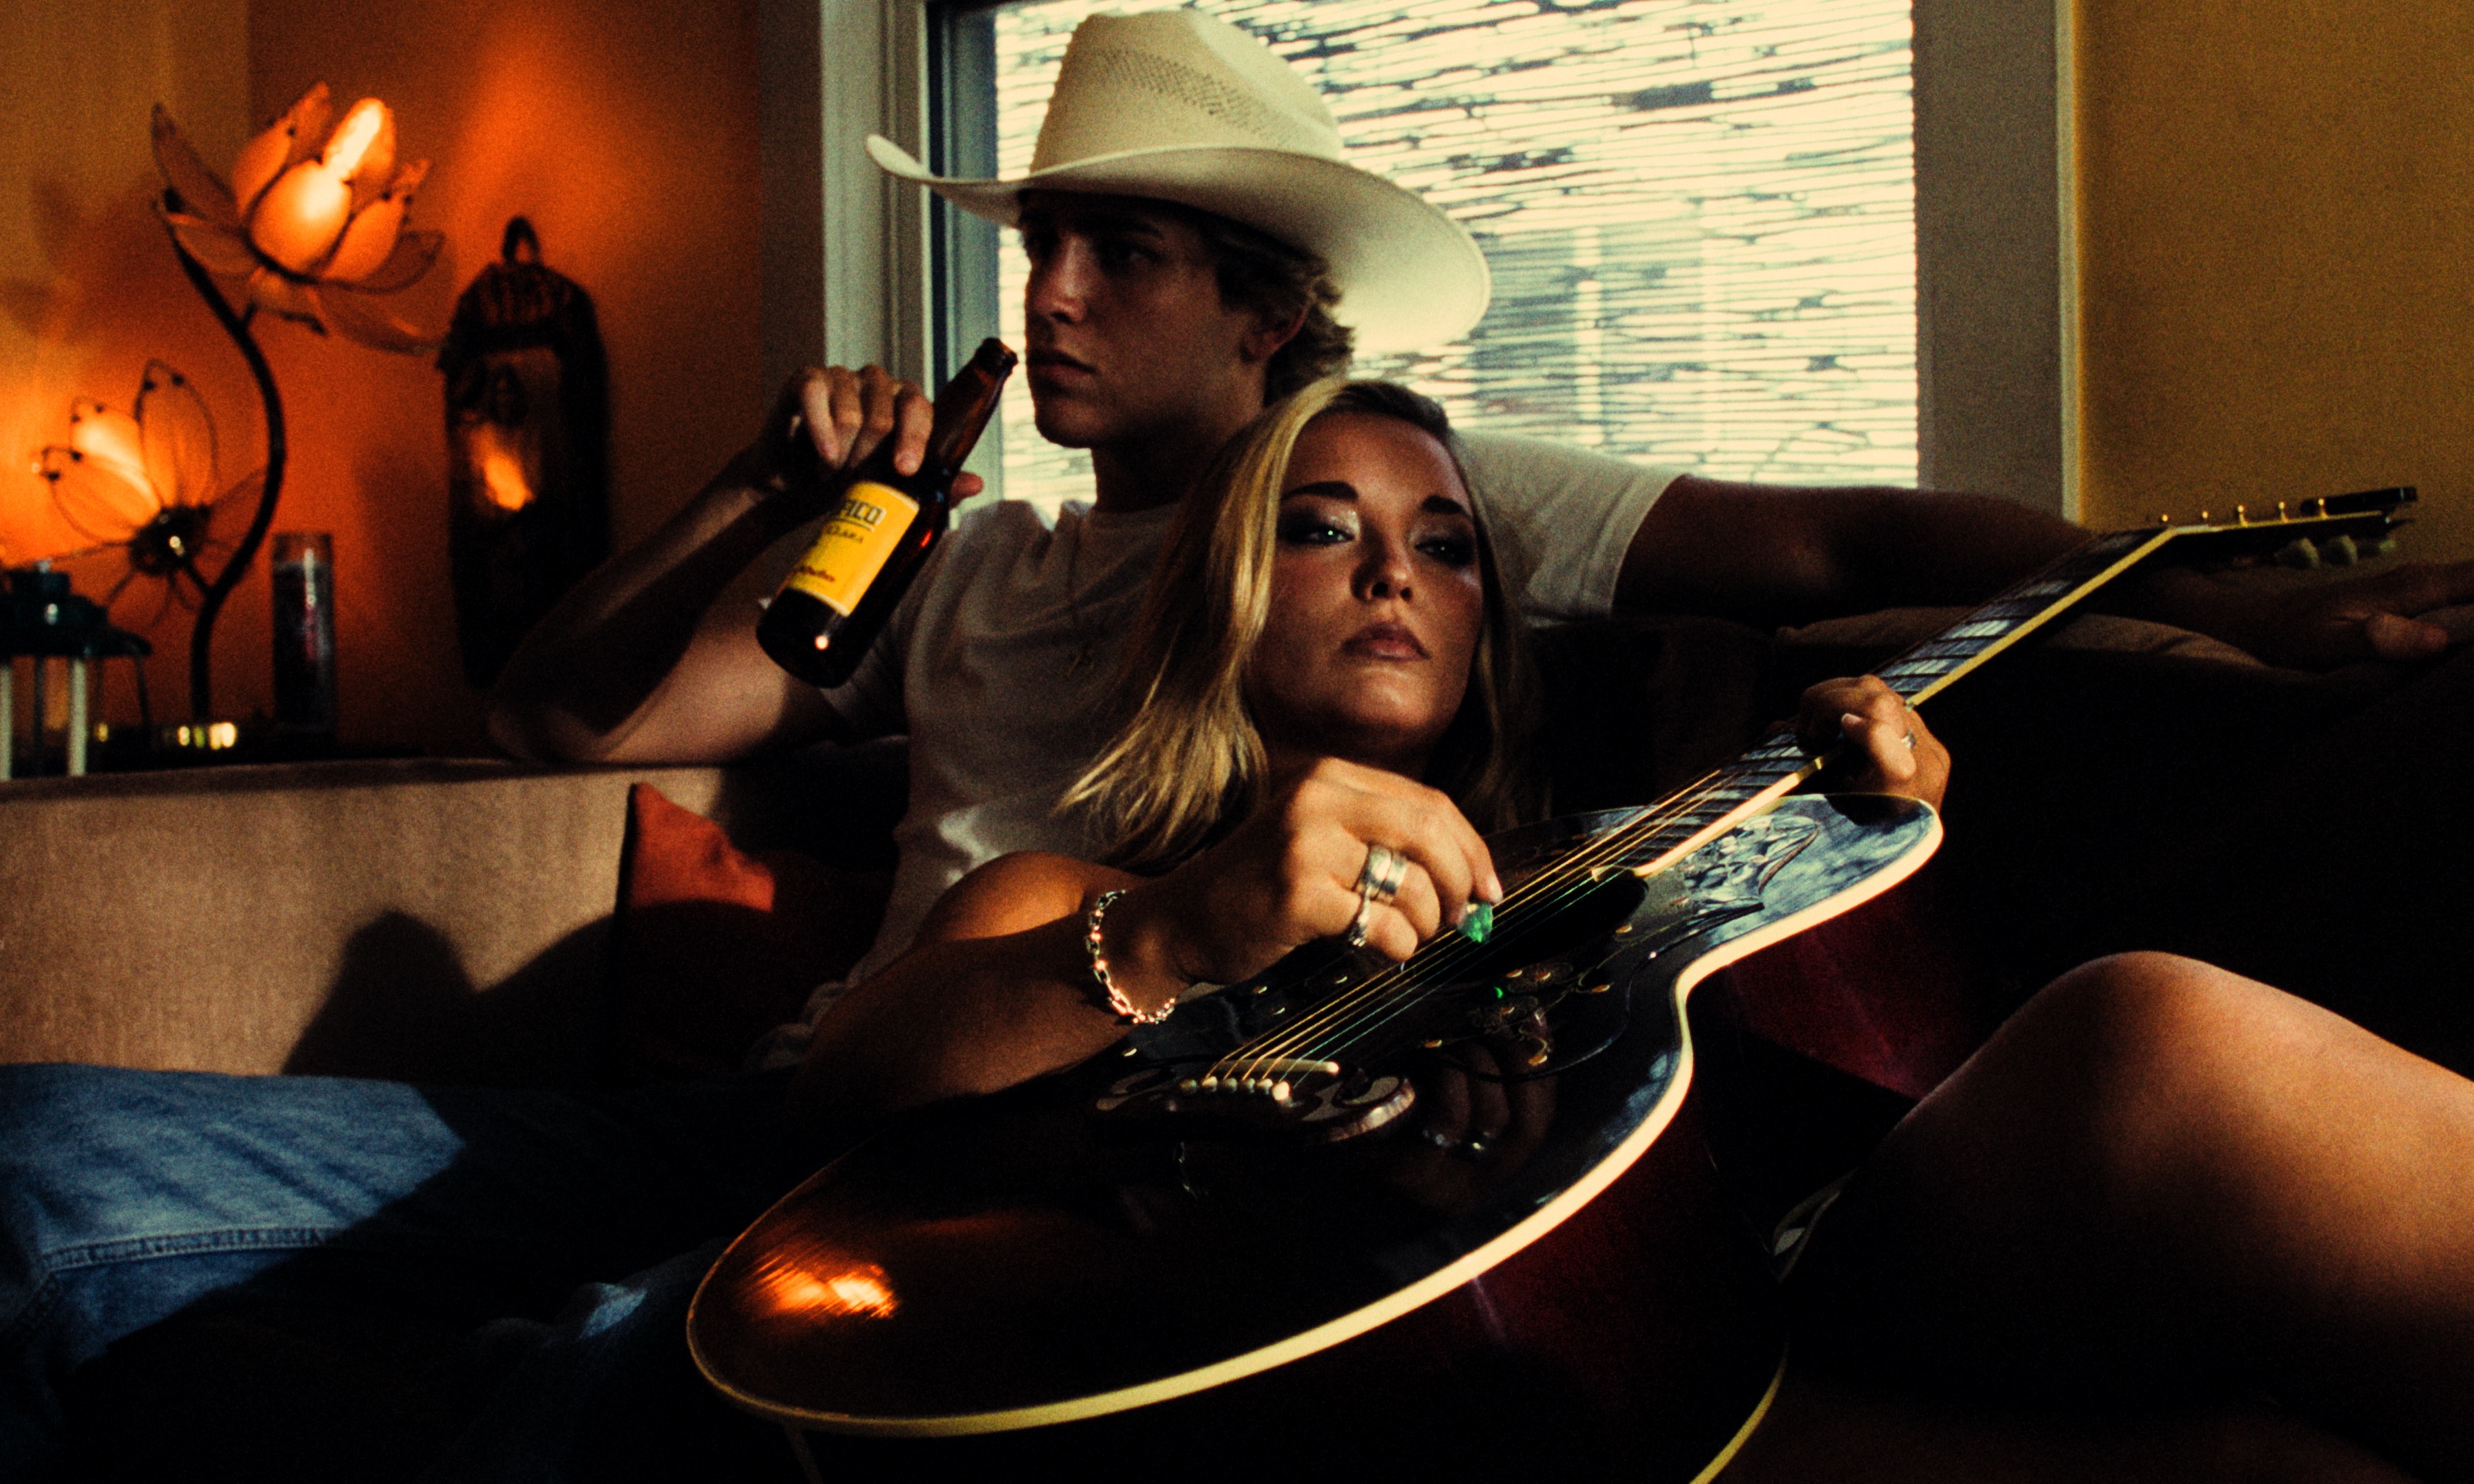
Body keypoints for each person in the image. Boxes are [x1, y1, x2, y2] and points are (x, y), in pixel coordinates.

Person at [488, 9, 2474, 1074]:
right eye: (1043, 247)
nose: (1054, 296)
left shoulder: (1410, 499)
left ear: (1269, 312)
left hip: (1115, 1098)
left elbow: (1842, 547)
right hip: (877, 1068)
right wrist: (760, 491)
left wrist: (2222, 598)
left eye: (1123, 253)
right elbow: (563, 724)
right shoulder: (962, 556)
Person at [787, 379, 2474, 1483]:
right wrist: (1182, 932)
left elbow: (1864, 1084)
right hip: (1469, 1400)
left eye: (1448, 546)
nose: (1396, 573)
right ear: (1215, 593)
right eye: (1325, 527)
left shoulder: (1597, 849)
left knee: (2149, 1034)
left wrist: (1881, 839)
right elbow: (853, 1078)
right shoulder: (1085, 896)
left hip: (1760, 1277)